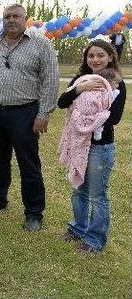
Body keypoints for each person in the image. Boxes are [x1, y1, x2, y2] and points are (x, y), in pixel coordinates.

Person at [0, 3, 59, 232]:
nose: (11, 20)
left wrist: (43, 114)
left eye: (16, 16)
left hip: (25, 113)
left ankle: (34, 213)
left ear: (25, 19)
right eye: (7, 16)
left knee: (28, 164)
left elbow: (51, 80)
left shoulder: (41, 44)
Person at [58, 40, 125, 252]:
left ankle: (95, 239)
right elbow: (62, 102)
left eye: (100, 55)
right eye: (91, 56)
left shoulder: (116, 82)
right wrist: (80, 89)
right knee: (79, 190)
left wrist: (82, 120)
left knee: (98, 194)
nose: (95, 60)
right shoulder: (81, 79)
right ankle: (78, 228)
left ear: (110, 57)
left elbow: (114, 118)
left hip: (100, 147)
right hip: (79, 145)